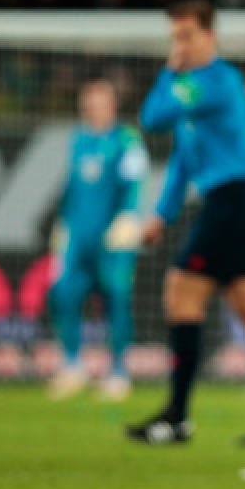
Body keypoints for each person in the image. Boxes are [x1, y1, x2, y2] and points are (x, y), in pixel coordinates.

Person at [126, 0, 245, 447]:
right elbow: (183, 163)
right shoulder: (193, 96)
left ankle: (177, 416)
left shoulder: (217, 82)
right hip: (233, 205)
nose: (180, 45)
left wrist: (169, 71)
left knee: (181, 291)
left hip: (234, 203)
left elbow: (152, 118)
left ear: (210, 36)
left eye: (187, 36)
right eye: (175, 38)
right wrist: (161, 215)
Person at [48, 78, 147, 402]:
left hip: (113, 239)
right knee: (64, 294)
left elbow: (134, 183)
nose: (92, 109)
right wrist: (63, 223)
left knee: (115, 299)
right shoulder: (78, 139)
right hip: (79, 237)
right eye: (88, 103)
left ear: (112, 105)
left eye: (99, 103)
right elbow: (73, 186)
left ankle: (118, 372)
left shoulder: (126, 139)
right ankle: (72, 365)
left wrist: (128, 216)